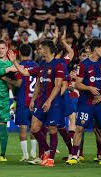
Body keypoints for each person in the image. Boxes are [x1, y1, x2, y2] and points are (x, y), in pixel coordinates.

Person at [66, 38, 101, 165]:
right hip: (86, 102)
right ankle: (74, 156)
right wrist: (89, 88)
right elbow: (77, 84)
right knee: (79, 127)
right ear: (96, 49)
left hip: (100, 102)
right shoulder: (83, 64)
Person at [29, 39, 65, 167]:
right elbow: (38, 84)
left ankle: (51, 159)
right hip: (41, 102)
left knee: (52, 128)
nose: (39, 50)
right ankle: (48, 150)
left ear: (47, 49)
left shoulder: (58, 64)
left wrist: (49, 101)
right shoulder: (42, 64)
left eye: (41, 48)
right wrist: (33, 99)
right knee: (34, 128)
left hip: (54, 103)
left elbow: (58, 85)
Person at [5, 44, 39, 162]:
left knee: (23, 128)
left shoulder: (19, 66)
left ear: (19, 52)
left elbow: (19, 83)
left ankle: (25, 155)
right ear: (30, 52)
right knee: (34, 128)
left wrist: (7, 79)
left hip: (23, 101)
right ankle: (34, 152)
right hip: (35, 101)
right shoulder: (36, 65)